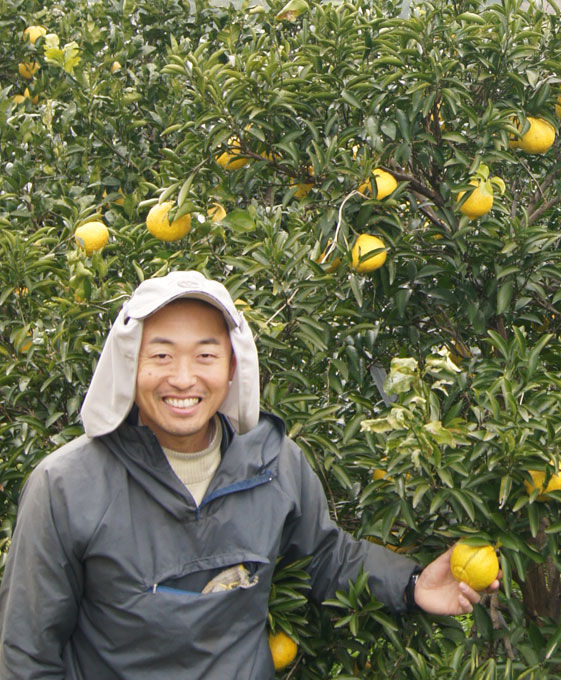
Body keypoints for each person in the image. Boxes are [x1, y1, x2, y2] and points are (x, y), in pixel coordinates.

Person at [0, 270, 499, 678]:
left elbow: (324, 556)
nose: (182, 377)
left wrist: (412, 584)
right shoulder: (66, 486)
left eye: (205, 355)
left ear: (233, 366)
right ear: (129, 364)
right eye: (161, 355)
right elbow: (26, 651)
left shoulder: (273, 462)